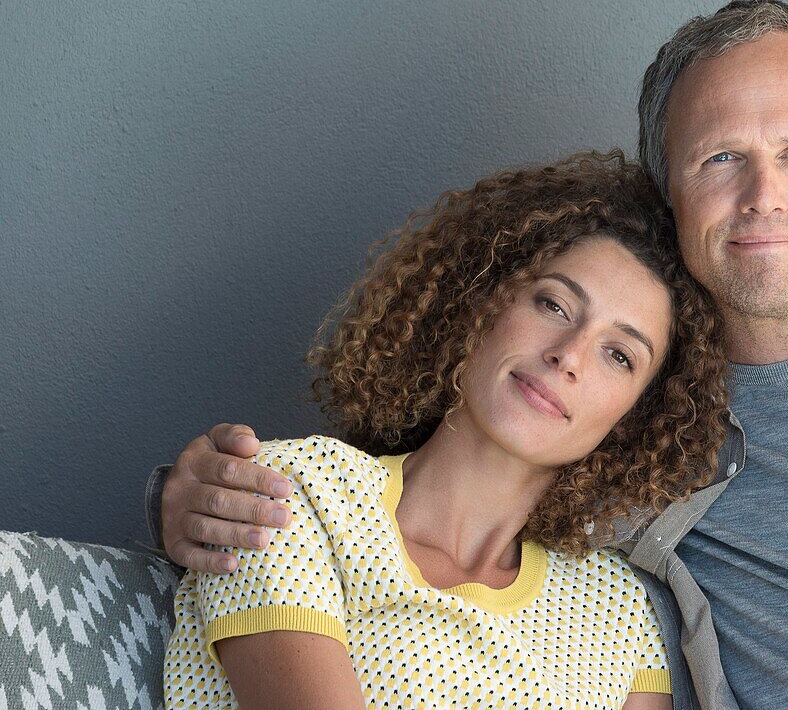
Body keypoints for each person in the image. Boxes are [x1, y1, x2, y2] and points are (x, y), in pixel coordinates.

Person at [150, 0, 788, 710]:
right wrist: (186, 495)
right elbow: (384, 496)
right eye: (721, 158)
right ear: (668, 196)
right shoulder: (641, 451)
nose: (764, 193)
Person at [159, 151, 731, 709]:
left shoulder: (619, 616)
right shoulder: (297, 492)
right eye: (553, 305)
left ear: (633, 418)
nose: (570, 356)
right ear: (482, 298)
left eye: (619, 355)